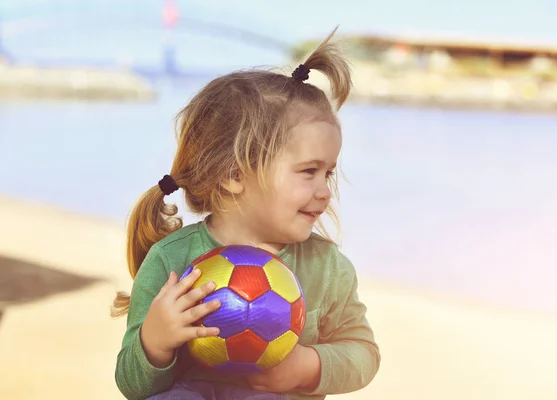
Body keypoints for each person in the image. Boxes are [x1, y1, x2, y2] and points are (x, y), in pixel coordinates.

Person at [112, 27, 380, 400]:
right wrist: (154, 342)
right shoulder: (171, 260)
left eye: (328, 173)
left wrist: (308, 366)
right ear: (235, 174)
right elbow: (131, 384)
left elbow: (363, 353)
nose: (325, 191)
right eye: (308, 171)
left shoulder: (326, 267)